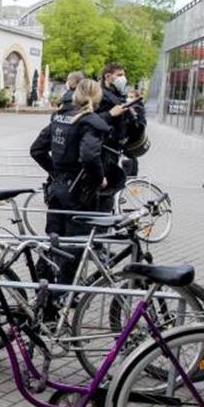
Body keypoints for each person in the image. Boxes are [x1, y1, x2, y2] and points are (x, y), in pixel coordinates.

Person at [29, 78, 111, 284]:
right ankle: (63, 295)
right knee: (74, 245)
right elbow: (90, 155)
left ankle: (44, 290)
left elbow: (37, 149)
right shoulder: (89, 122)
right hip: (78, 193)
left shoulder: (60, 118)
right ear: (96, 97)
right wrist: (99, 179)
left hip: (57, 189)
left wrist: (55, 171)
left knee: (53, 241)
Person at [93, 62, 135, 207]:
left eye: (124, 75)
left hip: (116, 145)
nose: (123, 78)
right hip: (104, 147)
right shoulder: (99, 94)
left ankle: (111, 205)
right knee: (105, 186)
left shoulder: (118, 93)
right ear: (108, 76)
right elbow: (91, 118)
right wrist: (110, 114)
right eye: (119, 75)